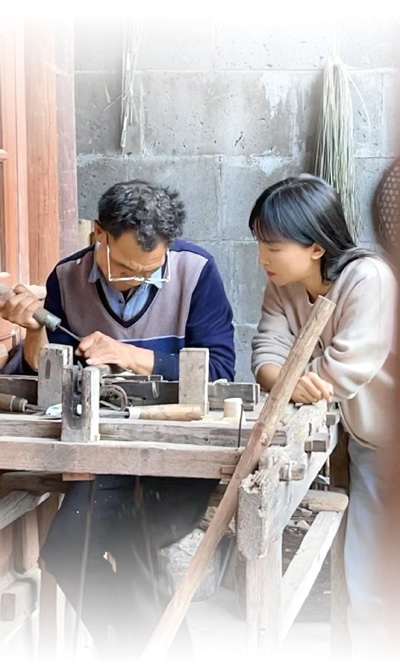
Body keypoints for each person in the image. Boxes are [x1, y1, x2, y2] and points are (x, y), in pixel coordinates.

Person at [0, 179, 235, 659]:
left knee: (135, 544)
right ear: (99, 236)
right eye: (125, 268)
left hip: (176, 452)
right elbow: (45, 375)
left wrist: (130, 355)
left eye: (150, 272)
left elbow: (221, 370)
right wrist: (33, 329)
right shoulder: (66, 278)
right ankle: (144, 653)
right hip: (106, 453)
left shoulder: (195, 270)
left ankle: (146, 657)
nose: (136, 279)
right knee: (66, 551)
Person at [249, 174, 396, 657]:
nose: (262, 258)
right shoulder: (284, 285)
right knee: (367, 579)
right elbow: (265, 355)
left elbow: (344, 369)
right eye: (260, 244)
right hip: (369, 444)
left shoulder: (369, 278)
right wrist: (286, 379)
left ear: (316, 247)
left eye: (273, 247)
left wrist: (289, 379)